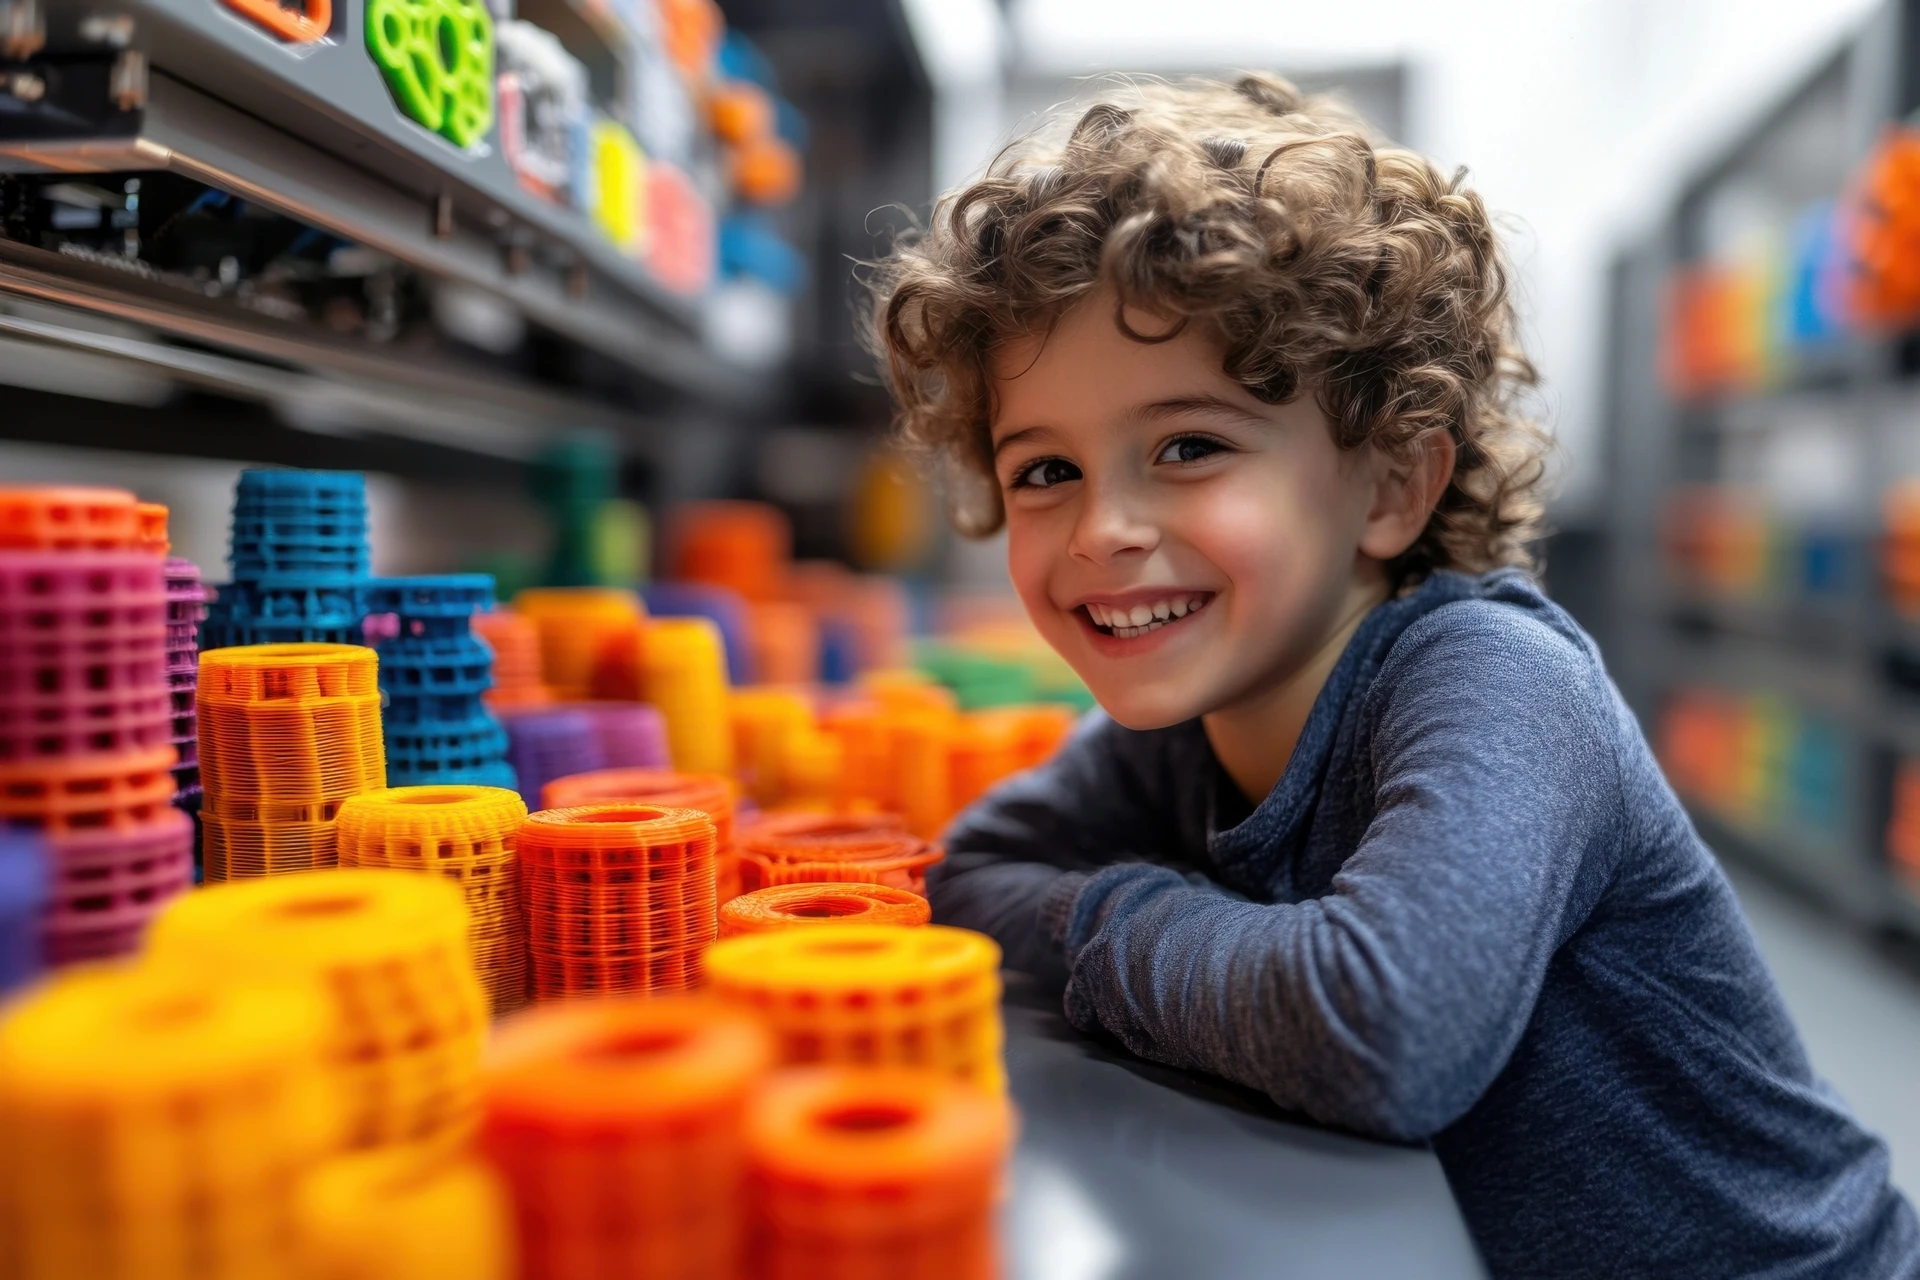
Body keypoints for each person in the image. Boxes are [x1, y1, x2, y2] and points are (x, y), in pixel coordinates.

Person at [864, 73, 1920, 1277]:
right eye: (1044, 469)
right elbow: (966, 874)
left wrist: (1104, 915)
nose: (1103, 524)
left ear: (1390, 485)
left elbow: (1386, 1030)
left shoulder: (1497, 680)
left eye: (1189, 445)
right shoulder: (1184, 722)